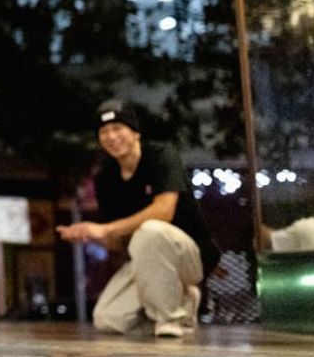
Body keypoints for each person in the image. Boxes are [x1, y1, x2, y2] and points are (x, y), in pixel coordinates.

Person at [56, 99, 221, 338]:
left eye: (117, 129)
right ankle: (183, 299)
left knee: (151, 229)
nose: (111, 137)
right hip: (148, 259)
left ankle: (172, 319)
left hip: (192, 254)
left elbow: (164, 211)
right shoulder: (106, 178)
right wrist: (90, 235)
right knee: (108, 319)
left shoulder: (162, 155)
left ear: (135, 132)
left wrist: (106, 229)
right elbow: (117, 241)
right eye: (104, 132)